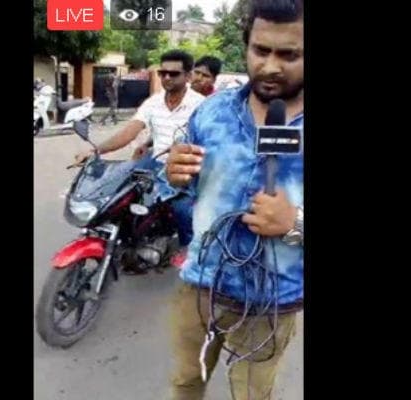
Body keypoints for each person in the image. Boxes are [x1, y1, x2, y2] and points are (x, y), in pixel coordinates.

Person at [164, 0, 304, 399]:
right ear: (246, 46)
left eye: (289, 55)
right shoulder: (212, 113)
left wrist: (294, 222)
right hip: (200, 288)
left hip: (271, 302)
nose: (270, 66)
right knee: (185, 383)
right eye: (261, 50)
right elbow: (184, 186)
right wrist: (174, 174)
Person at [75, 50, 205, 266]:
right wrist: (96, 150)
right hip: (155, 160)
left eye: (173, 74)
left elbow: (209, 140)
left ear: (188, 76)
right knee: (119, 185)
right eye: (163, 73)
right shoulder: (153, 102)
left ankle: (189, 247)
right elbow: (130, 131)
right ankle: (125, 235)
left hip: (185, 166)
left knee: (182, 208)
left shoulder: (202, 105)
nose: (166, 78)